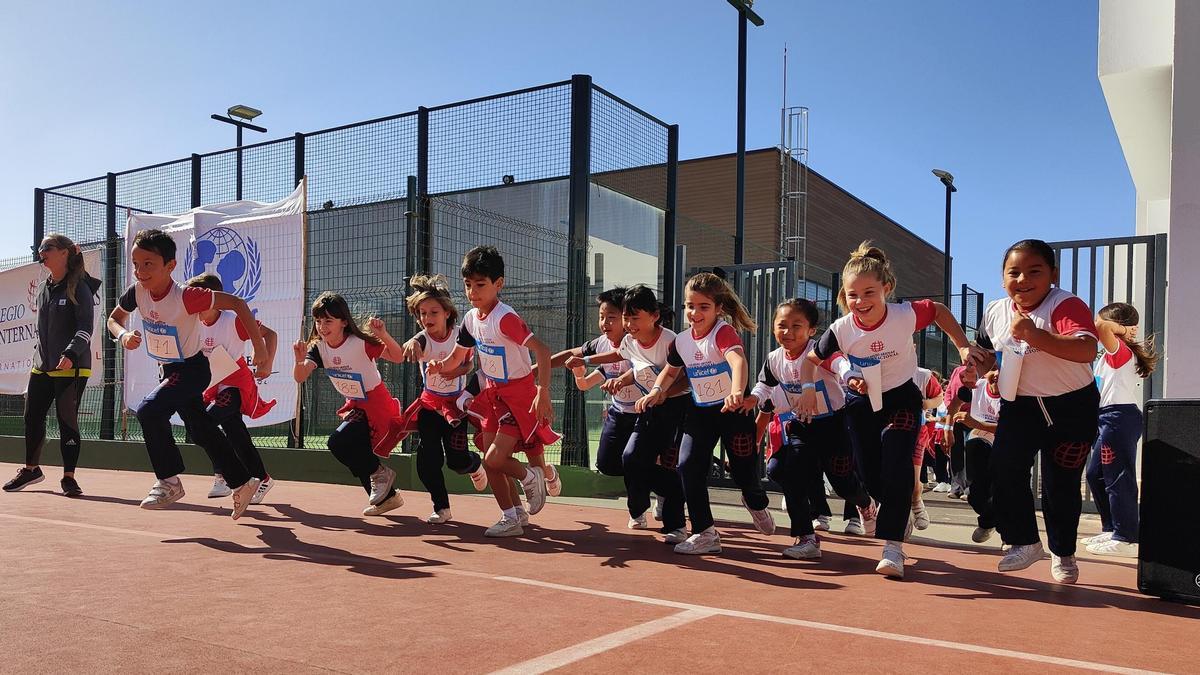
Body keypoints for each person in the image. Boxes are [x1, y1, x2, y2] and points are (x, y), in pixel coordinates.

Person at [799, 241, 980, 579]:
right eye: (853, 295)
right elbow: (813, 360)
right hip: (860, 405)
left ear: (887, 288)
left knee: (897, 465)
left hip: (900, 400)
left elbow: (939, 310)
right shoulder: (842, 329)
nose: (860, 302)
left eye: (869, 292)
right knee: (870, 475)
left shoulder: (903, 315)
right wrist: (836, 376)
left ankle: (892, 547)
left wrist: (963, 345)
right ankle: (902, 506)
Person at [106, 229, 266, 517]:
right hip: (169, 369)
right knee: (200, 428)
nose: (140, 272)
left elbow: (238, 304)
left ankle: (168, 481)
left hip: (192, 369)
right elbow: (114, 319)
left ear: (170, 266)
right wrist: (123, 335)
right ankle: (242, 482)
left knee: (149, 411)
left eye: (149, 264)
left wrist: (262, 353)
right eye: (136, 264)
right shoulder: (136, 292)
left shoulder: (188, 296)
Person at [976, 239, 1100, 584]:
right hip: (1022, 404)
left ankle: (1063, 553)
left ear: (1053, 275)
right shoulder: (995, 312)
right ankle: (1026, 542)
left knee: (1060, 485)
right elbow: (987, 353)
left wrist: (1033, 333)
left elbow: (1086, 349)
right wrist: (985, 366)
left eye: (1034, 271)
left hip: (1072, 404)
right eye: (1013, 272)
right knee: (1003, 467)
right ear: (1002, 278)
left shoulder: (1065, 305)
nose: (1023, 280)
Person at [425, 246, 557, 538]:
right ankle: (513, 515)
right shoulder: (471, 319)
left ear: (499, 284)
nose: (473, 291)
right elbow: (457, 359)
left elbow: (543, 351)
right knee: (488, 452)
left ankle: (531, 475)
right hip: (492, 395)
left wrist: (543, 391)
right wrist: (439, 367)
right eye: (468, 285)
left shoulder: (505, 318)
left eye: (480, 285)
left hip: (518, 395)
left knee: (494, 460)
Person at [638, 272, 772, 555]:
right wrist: (657, 390)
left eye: (703, 307)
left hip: (732, 412)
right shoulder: (683, 341)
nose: (694, 313)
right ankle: (705, 532)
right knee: (687, 465)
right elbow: (671, 370)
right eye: (690, 306)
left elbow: (737, 361)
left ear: (718, 309)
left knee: (743, 470)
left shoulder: (722, 332)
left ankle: (755, 502)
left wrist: (737, 391)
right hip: (700, 412)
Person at [750, 298, 876, 560]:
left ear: (811, 330)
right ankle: (806, 538)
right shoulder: (774, 359)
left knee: (843, 483)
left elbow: (840, 364)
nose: (788, 332)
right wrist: (753, 398)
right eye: (781, 325)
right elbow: (764, 386)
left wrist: (851, 377)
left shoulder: (818, 352)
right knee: (790, 473)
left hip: (834, 424)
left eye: (797, 325)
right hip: (802, 426)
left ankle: (865, 504)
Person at [575, 284, 689, 542]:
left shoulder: (672, 342)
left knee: (643, 459)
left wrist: (661, 394)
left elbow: (686, 381)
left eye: (635, 318)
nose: (629, 324)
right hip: (649, 406)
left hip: (675, 408)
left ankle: (676, 525)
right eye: (626, 317)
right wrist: (607, 372)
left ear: (654, 316)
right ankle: (647, 504)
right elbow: (630, 363)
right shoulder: (630, 341)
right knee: (629, 460)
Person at [293, 292, 407, 516]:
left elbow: (398, 356)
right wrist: (299, 360)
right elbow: (300, 376)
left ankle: (380, 474)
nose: (322, 326)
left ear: (344, 321)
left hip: (376, 404)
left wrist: (383, 334)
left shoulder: (360, 343)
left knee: (339, 441)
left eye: (328, 321)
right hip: (355, 405)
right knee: (351, 447)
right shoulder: (318, 348)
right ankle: (389, 497)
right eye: (318, 321)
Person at [4, 234, 101, 497]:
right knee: (32, 416)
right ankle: (31, 469)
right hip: (43, 365)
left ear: (64, 253)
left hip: (72, 365)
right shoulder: (46, 286)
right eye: (40, 247)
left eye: (47, 247)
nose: (41, 251)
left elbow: (85, 327)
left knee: (66, 420)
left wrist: (71, 352)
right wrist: (42, 356)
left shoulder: (79, 285)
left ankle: (69, 477)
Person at [394, 274, 488, 524]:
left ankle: (474, 465)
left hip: (455, 408)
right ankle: (442, 507)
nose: (427, 318)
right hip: (429, 405)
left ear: (447, 313)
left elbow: (467, 367)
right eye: (422, 313)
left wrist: (445, 369)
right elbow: (416, 341)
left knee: (457, 461)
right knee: (427, 461)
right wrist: (412, 342)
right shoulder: (422, 338)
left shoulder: (460, 335)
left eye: (433, 312)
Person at [184, 274, 279, 505]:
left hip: (236, 383)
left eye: (199, 302)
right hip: (214, 385)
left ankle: (224, 475)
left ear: (214, 301)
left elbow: (270, 335)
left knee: (206, 422)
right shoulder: (193, 323)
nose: (194, 307)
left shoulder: (233, 321)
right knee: (236, 435)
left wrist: (267, 363)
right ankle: (262, 478)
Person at [1083, 302, 1157, 557]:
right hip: (1107, 418)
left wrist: (1121, 331)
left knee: (1117, 477)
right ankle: (1112, 527)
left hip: (1118, 417)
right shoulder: (1109, 354)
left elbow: (1100, 325)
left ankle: (1126, 535)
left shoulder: (1120, 349)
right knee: (1096, 475)